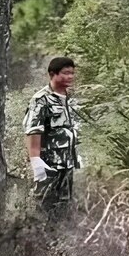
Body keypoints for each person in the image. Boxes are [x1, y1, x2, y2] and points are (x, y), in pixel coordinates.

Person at [23, 56, 81, 221]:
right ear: (52, 74)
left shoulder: (69, 98)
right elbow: (33, 131)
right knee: (45, 203)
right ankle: (37, 239)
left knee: (65, 203)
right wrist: (36, 161)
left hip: (67, 162)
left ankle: (60, 239)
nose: (70, 77)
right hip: (49, 164)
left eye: (72, 73)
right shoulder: (41, 99)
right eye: (65, 73)